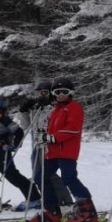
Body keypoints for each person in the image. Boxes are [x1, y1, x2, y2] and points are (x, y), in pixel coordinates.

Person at [25, 77, 98, 222]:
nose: (60, 95)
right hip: (52, 152)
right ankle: (52, 211)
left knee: (69, 178)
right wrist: (44, 136)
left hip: (66, 151)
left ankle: (88, 211)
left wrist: (51, 137)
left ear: (70, 93)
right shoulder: (56, 110)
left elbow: (73, 128)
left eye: (64, 91)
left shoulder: (74, 107)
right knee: (40, 177)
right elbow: (50, 129)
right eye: (57, 92)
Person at [18, 81, 74, 209]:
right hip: (38, 144)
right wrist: (23, 111)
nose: (42, 95)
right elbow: (27, 126)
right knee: (39, 173)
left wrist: (47, 107)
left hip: (51, 144)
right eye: (40, 92)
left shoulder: (57, 107)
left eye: (45, 92)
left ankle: (63, 200)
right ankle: (52, 199)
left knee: (46, 173)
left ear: (51, 93)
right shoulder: (37, 106)